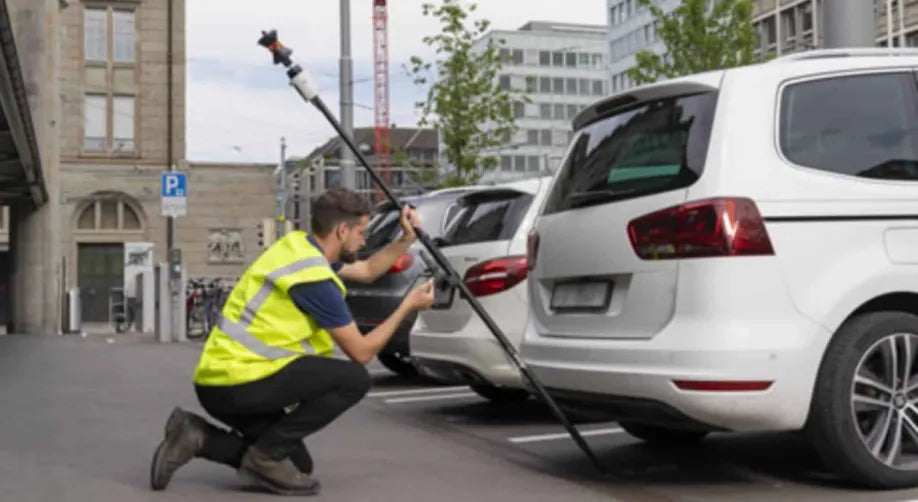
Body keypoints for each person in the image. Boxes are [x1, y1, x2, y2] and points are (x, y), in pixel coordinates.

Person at [149, 187, 435, 496]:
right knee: (353, 379)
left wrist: (406, 238)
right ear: (342, 230)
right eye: (361, 232)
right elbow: (362, 352)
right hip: (237, 383)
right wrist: (407, 305)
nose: (363, 240)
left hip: (226, 379)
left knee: (298, 467)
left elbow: (367, 270)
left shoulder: (298, 248)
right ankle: (263, 457)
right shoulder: (314, 282)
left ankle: (195, 436)